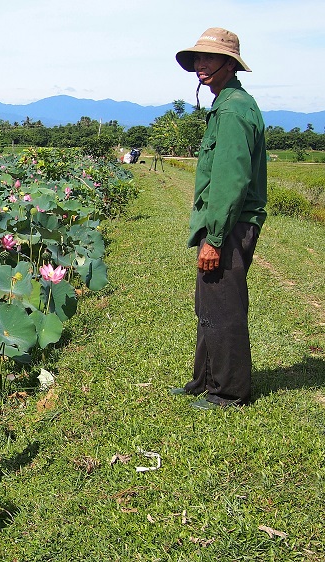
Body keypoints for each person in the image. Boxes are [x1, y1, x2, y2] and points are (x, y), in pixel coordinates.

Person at [170, 28, 267, 409]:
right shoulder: (227, 104)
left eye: (209, 58)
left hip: (229, 226)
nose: (201, 65)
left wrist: (214, 237)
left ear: (230, 64)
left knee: (224, 308)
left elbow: (230, 179)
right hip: (225, 224)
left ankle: (228, 393)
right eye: (197, 58)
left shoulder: (232, 110)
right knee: (209, 304)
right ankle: (205, 380)